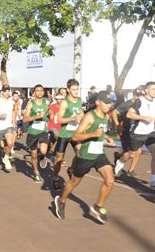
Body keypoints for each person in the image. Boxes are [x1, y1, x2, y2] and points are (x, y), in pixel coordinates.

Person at [54, 91, 115, 224]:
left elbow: (100, 131)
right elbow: (76, 136)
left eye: (110, 103)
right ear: (98, 102)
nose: (109, 105)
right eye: (106, 103)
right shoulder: (89, 117)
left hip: (98, 153)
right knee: (74, 182)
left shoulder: (105, 115)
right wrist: (93, 134)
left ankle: (98, 206)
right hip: (86, 155)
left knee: (110, 180)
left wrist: (106, 137)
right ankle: (61, 201)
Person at [114, 81, 155, 188]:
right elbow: (129, 114)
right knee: (131, 154)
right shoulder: (139, 101)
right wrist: (143, 118)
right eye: (153, 89)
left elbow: (150, 115)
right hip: (138, 133)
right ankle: (120, 162)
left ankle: (154, 180)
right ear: (146, 90)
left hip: (150, 133)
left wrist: (154, 120)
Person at [52, 79, 84, 190]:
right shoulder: (65, 102)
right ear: (68, 89)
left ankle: (71, 169)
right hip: (64, 134)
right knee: (59, 159)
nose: (76, 91)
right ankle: (55, 178)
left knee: (81, 154)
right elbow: (59, 120)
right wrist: (73, 118)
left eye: (77, 89)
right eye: (73, 89)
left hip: (76, 134)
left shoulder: (80, 101)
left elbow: (81, 114)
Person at [23, 84, 53, 183]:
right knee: (33, 154)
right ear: (34, 92)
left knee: (44, 151)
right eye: (37, 91)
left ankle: (42, 156)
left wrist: (51, 114)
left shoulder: (47, 102)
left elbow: (49, 111)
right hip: (32, 132)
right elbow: (25, 118)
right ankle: (36, 173)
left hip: (43, 130)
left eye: (41, 90)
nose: (40, 92)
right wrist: (35, 117)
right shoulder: (31, 103)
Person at [112, 87, 144, 177]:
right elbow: (114, 112)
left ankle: (131, 170)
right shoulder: (127, 104)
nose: (140, 97)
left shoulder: (142, 105)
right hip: (125, 131)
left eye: (141, 95)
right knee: (130, 152)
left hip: (136, 131)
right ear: (134, 95)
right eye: (138, 95)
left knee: (138, 151)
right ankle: (119, 161)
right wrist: (118, 125)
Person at [0, 85, 16, 173]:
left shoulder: (11, 102)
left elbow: (13, 112)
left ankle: (5, 157)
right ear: (2, 92)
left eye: (8, 91)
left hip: (8, 125)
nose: (7, 93)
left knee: (10, 143)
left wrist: (14, 121)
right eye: (5, 91)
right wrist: (0, 116)